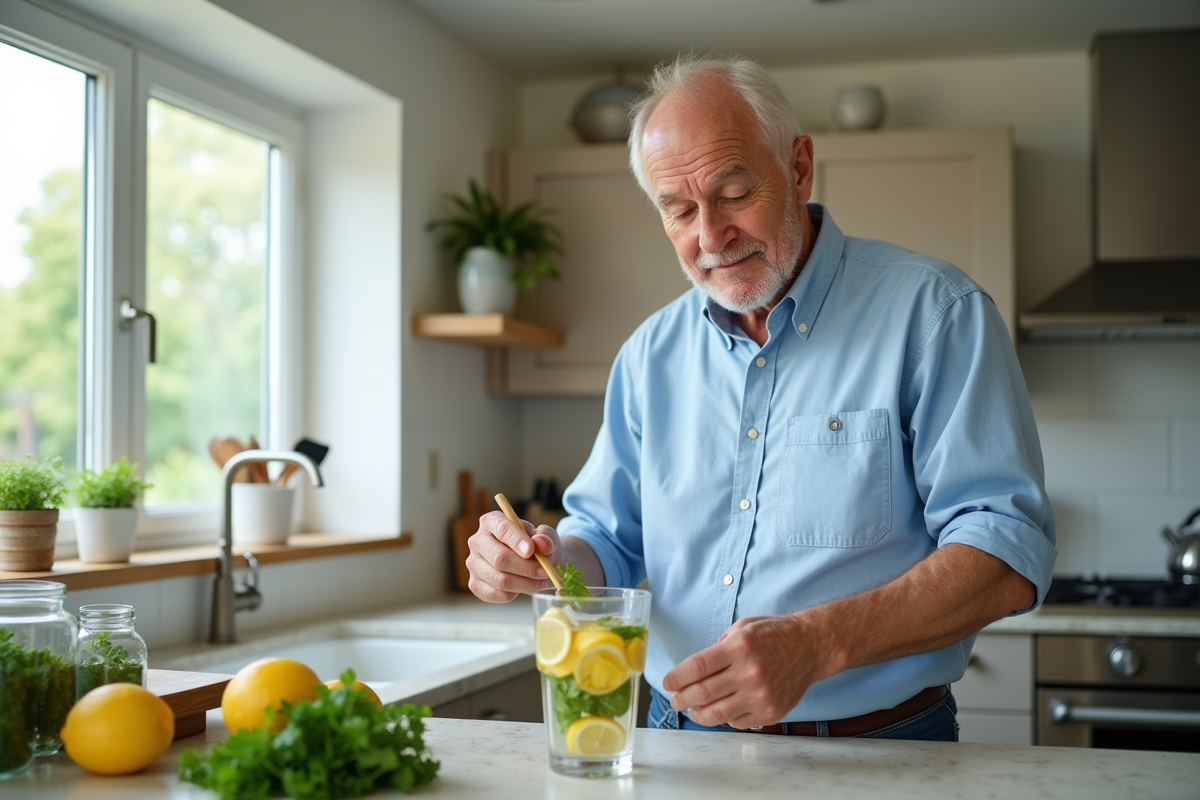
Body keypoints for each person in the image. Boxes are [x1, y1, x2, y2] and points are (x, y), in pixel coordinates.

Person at [465, 55, 1056, 741]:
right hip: (674, 743)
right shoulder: (647, 356)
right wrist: (543, 563)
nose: (709, 237)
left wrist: (818, 643)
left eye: (733, 193)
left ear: (798, 167)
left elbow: (1007, 550)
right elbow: (607, 540)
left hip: (877, 752)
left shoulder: (935, 315)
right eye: (679, 209)